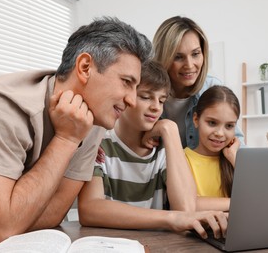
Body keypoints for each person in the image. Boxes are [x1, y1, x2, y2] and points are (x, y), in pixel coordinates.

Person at [0, 16, 152, 245]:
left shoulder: (92, 118)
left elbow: (53, 213)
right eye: (126, 82)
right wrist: (67, 138)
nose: (132, 100)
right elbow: (3, 230)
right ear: (84, 68)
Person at [78, 61, 227, 240]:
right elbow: (90, 210)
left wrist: (169, 129)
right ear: (126, 97)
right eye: (146, 97)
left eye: (162, 100)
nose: (156, 107)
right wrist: (170, 218)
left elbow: (186, 208)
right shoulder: (100, 143)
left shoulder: (164, 150)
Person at [152, 16, 245, 149]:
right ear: (163, 57)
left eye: (195, 54)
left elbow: (236, 142)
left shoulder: (212, 88)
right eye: (178, 57)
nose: (189, 65)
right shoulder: (147, 92)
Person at [184, 85, 241, 212]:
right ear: (196, 120)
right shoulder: (182, 159)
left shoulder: (235, 160)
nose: (220, 133)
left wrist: (233, 158)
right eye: (212, 123)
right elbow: (188, 204)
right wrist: (239, 202)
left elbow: (259, 199)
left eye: (229, 126)